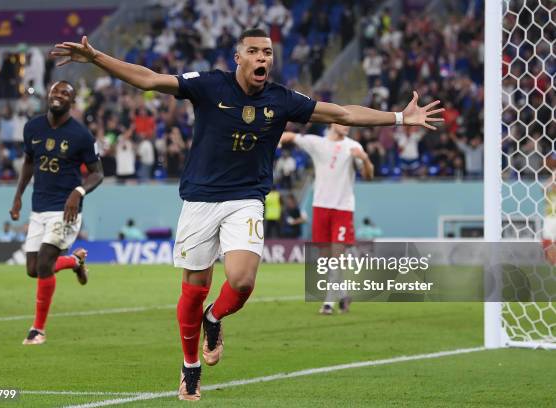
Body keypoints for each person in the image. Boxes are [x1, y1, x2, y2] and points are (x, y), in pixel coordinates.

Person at [53, 29, 443, 401]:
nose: (262, 58)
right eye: (254, 51)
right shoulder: (209, 85)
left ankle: (215, 317)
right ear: (237, 57)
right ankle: (190, 368)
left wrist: (398, 117)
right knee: (194, 286)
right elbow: (150, 80)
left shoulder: (282, 99)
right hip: (200, 199)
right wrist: (95, 57)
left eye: (268, 52)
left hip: (246, 198)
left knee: (241, 280)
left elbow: (342, 113)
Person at [9, 80, 104, 346]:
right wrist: (18, 196)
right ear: (49, 95)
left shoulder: (82, 135)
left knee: (43, 265)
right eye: (55, 91)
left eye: (65, 92)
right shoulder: (33, 127)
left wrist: (79, 192)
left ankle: (38, 330)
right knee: (33, 269)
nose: (59, 95)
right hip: (38, 207)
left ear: (72, 102)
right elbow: (29, 162)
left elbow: (98, 173)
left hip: (66, 210)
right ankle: (75, 262)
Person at [281, 123, 374, 314]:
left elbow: (368, 176)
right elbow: (290, 135)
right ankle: (344, 294)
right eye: (342, 121)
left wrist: (364, 159)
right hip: (321, 207)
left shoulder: (353, 147)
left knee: (336, 258)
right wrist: (272, 141)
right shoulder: (317, 143)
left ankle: (328, 303)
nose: (347, 125)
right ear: (332, 122)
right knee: (325, 259)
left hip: (342, 208)